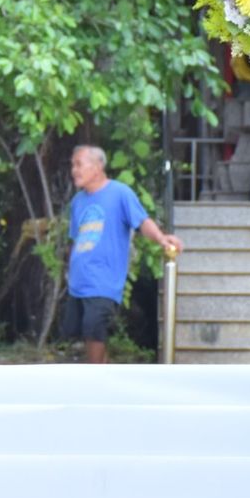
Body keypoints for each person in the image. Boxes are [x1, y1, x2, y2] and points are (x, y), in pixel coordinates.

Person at [64, 144, 181, 364]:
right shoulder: (78, 202)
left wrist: (161, 238)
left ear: (97, 166)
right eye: (72, 165)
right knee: (84, 334)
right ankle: (104, 371)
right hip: (78, 281)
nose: (74, 170)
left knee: (94, 330)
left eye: (79, 164)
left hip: (103, 280)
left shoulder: (119, 193)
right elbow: (76, 240)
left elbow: (142, 221)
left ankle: (96, 379)